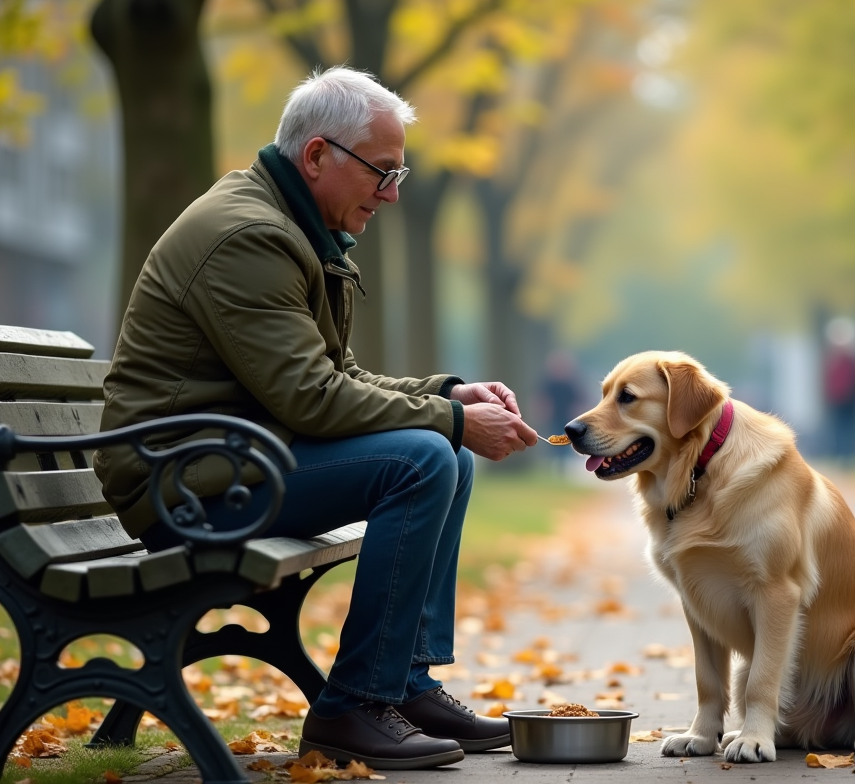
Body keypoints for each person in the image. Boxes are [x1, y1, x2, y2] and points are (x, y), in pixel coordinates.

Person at [94, 67, 538, 770]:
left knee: (440, 452)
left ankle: (405, 685)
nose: (392, 193)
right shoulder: (249, 237)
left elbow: (336, 378)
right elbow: (311, 399)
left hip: (232, 463)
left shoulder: (294, 227)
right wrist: (449, 424)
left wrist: (447, 395)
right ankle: (353, 708)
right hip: (181, 485)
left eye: (401, 173)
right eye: (382, 172)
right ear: (317, 157)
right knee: (424, 459)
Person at [822, 317, 855, 467]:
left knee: (850, 428)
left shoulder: (852, 359)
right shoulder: (833, 359)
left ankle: (851, 457)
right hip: (837, 399)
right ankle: (840, 456)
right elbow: (828, 380)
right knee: (839, 429)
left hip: (850, 399)